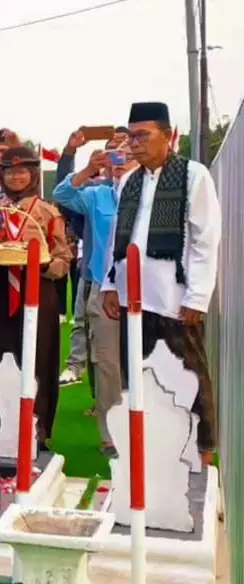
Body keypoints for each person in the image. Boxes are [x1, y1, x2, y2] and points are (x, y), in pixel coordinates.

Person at [101, 101, 221, 466]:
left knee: (189, 377)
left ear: (168, 136)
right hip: (131, 299)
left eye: (143, 135)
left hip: (174, 297)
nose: (134, 143)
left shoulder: (193, 175)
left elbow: (205, 239)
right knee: (138, 378)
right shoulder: (127, 182)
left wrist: (198, 297)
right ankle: (150, 454)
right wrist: (110, 284)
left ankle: (202, 455)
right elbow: (116, 239)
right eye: (130, 136)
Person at [0, 146, 72, 449]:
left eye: (22, 171)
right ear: (0, 175)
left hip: (38, 290)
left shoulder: (48, 212)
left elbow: (64, 259)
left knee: (38, 358)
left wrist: (42, 264)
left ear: (33, 175)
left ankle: (37, 429)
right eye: (10, 171)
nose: (16, 177)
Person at [53, 134, 136, 458]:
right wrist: (89, 168)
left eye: (128, 156)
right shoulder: (98, 195)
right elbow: (62, 193)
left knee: (144, 362)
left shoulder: (150, 195)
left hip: (148, 290)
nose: (120, 163)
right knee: (107, 365)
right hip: (104, 287)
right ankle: (110, 435)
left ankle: (147, 428)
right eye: (115, 157)